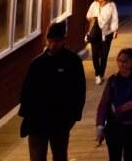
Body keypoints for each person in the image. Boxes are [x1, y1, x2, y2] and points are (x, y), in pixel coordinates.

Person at [19, 22, 85, 161]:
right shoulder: (37, 64)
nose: (53, 45)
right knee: (37, 157)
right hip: (38, 121)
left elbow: (79, 91)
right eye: (50, 41)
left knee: (60, 156)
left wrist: (73, 117)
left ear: (63, 40)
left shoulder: (72, 62)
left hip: (60, 120)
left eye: (57, 41)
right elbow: (27, 92)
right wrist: (28, 117)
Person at [95, 47, 132, 161]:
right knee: (114, 157)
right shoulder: (113, 80)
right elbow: (104, 103)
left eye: (125, 61)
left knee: (130, 156)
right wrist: (100, 125)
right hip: (114, 125)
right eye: (120, 61)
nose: (122, 64)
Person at [86, 0, 120, 84]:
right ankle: (97, 74)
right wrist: (93, 19)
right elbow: (88, 15)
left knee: (104, 56)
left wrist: (114, 30)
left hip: (107, 33)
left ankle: (101, 74)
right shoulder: (94, 5)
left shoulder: (111, 5)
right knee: (95, 55)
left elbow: (115, 18)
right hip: (95, 34)